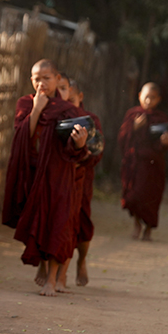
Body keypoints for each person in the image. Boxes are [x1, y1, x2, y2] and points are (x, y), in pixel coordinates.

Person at [2, 60, 88, 297]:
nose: (41, 83)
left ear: (57, 79)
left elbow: (75, 146)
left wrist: (79, 143)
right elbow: (23, 138)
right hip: (32, 174)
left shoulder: (67, 109)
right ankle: (42, 263)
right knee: (38, 221)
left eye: (46, 78)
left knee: (57, 222)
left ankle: (52, 279)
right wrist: (37, 109)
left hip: (59, 176)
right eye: (36, 78)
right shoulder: (25, 103)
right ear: (31, 80)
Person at [119, 82, 168, 241]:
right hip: (135, 163)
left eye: (153, 98)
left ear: (159, 100)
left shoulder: (161, 118)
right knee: (135, 195)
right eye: (146, 97)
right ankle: (137, 223)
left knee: (151, 197)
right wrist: (134, 127)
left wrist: (165, 142)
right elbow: (122, 138)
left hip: (152, 164)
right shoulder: (132, 115)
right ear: (139, 96)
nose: (149, 101)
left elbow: (163, 143)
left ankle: (148, 228)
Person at [62, 79, 103, 288]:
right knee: (57, 222)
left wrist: (83, 156)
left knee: (83, 222)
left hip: (81, 176)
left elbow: (97, 149)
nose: (68, 103)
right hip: (59, 178)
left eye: (72, 99)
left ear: (80, 97)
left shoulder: (90, 120)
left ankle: (81, 260)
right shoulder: (57, 117)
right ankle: (54, 271)